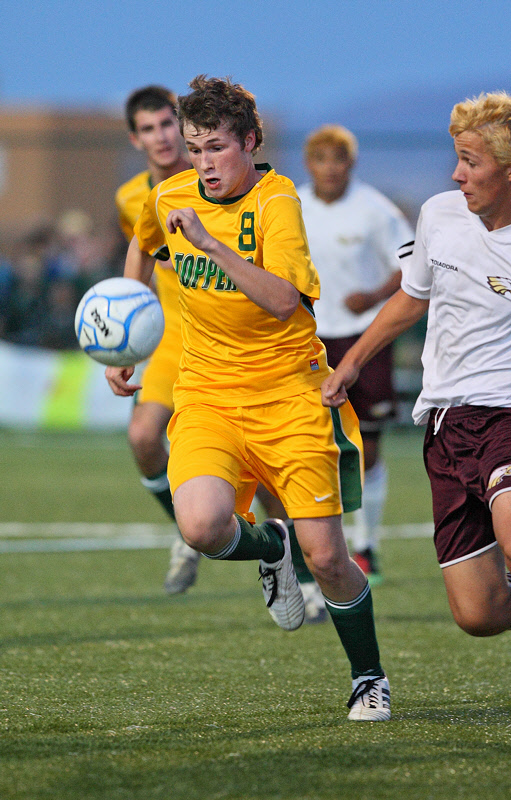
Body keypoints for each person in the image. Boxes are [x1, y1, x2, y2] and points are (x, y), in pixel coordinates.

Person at [106, 75, 390, 721]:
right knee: (202, 526)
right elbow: (143, 241)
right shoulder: (170, 193)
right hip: (207, 394)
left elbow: (284, 298)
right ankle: (271, 548)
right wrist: (124, 336)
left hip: (291, 397)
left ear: (251, 142)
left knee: (330, 558)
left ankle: (369, 676)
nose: (202, 163)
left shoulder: (277, 200)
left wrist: (209, 244)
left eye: (216, 148)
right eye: (195, 147)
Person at [322, 90, 511, 748]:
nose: (455, 174)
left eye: (469, 162)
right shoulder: (440, 215)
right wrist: (352, 361)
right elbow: (413, 299)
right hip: (444, 427)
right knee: (481, 614)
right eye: (455, 159)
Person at [299, 125, 413, 583]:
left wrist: (372, 296)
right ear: (309, 164)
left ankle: (366, 545)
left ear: (352, 163)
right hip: (310, 338)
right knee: (311, 443)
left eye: (338, 159)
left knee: (367, 444)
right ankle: (318, 546)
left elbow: (411, 266)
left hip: (365, 338)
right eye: (321, 158)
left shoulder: (376, 210)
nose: (330, 168)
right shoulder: (292, 206)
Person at [113, 86, 200, 594]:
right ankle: (187, 530)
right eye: (148, 128)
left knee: (264, 471)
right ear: (135, 138)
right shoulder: (130, 198)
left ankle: (300, 577)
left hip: (223, 336)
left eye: (167, 124)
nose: (161, 137)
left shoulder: (210, 181)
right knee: (144, 438)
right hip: (171, 339)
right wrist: (121, 345)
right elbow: (139, 257)